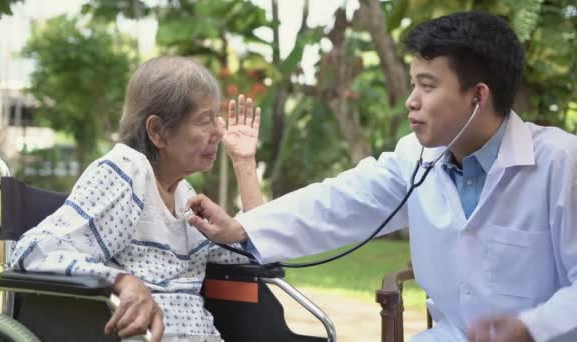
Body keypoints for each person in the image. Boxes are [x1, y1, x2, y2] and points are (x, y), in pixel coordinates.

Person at [185, 11, 577, 342]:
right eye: (413, 84)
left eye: (427, 86)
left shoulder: (563, 164)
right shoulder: (415, 157)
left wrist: (531, 327)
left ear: (478, 97)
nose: (412, 100)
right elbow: (339, 202)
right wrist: (240, 229)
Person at [9, 56, 263, 342]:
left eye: (217, 117)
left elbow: (254, 250)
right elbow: (33, 249)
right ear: (157, 131)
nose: (219, 131)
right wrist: (123, 282)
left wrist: (244, 162)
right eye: (205, 120)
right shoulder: (125, 173)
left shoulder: (184, 195)